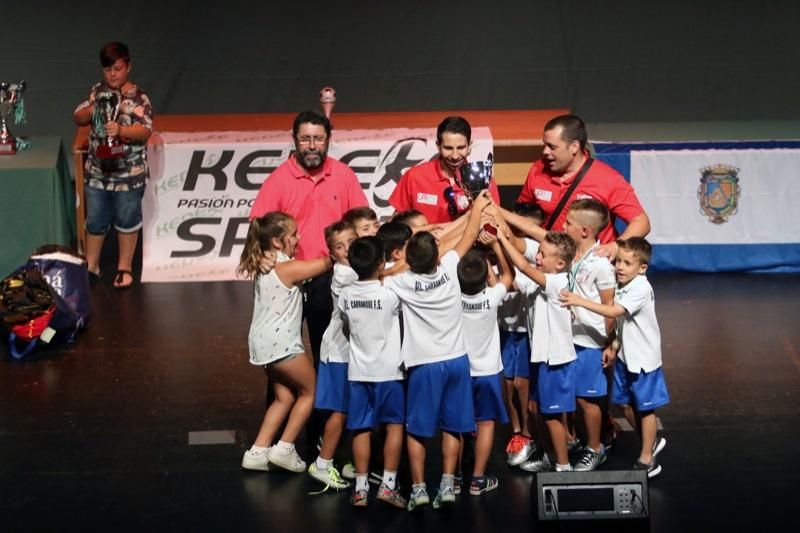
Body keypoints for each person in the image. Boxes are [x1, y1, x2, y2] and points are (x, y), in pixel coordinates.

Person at [383, 191, 491, 511]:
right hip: (458, 360)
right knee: (454, 425)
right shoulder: (449, 267)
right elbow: (470, 234)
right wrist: (478, 206)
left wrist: (396, 268)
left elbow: (379, 274)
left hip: (424, 365)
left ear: (408, 259)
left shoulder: (400, 282)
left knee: (416, 430)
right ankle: (447, 483)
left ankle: (418, 489)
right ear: (436, 256)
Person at [249, 110, 368, 365]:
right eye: (305, 139)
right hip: (289, 278)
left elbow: (360, 221)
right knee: (280, 354)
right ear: (294, 139)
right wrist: (264, 252)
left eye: (318, 139)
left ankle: (325, 404)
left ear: (328, 140)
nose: (312, 146)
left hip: (329, 277)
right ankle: (284, 402)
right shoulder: (279, 180)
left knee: (328, 348)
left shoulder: (344, 175)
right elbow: (257, 224)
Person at [560, 237, 669, 478]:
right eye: (618, 261)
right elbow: (620, 322)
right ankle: (648, 442)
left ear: (642, 268)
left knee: (645, 408)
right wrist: (615, 344)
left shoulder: (640, 287)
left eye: (627, 263)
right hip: (625, 357)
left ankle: (647, 457)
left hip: (643, 360)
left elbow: (613, 311)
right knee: (622, 403)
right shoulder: (623, 285)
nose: (620, 267)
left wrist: (579, 300)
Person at [237, 212, 332, 473]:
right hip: (282, 344)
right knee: (312, 391)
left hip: (261, 343)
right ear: (278, 242)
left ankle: (257, 452)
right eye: (293, 234)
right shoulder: (287, 268)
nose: (298, 238)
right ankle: (284, 448)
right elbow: (327, 263)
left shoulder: (265, 264)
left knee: (284, 397)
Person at [495, 228, 578, 473]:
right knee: (534, 410)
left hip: (556, 360)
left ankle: (564, 466)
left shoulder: (557, 282)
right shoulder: (540, 279)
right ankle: (546, 455)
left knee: (552, 415)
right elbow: (512, 276)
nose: (538, 257)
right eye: (539, 252)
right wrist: (496, 248)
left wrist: (502, 238)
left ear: (560, 263)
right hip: (540, 356)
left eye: (543, 254)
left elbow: (521, 263)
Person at [73, 42, 153, 289]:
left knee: (127, 219)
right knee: (95, 219)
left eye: (118, 68)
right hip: (97, 171)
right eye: (108, 70)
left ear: (128, 67)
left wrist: (121, 129)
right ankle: (92, 265)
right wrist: (93, 106)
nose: (113, 74)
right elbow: (79, 117)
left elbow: (145, 131)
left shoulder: (139, 98)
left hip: (128, 172)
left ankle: (124, 267)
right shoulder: (97, 92)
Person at [516, 114, 650, 259]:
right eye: (545, 144)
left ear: (574, 147)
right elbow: (524, 215)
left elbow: (641, 222)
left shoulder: (608, 179)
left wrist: (615, 246)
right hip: (549, 264)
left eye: (552, 147)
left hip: (589, 269)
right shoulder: (537, 170)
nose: (545, 151)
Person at [339, 237, 406, 509]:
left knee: (360, 428)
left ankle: (361, 488)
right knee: (394, 426)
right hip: (390, 372)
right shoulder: (389, 294)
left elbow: (345, 322)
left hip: (359, 372)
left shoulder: (346, 294)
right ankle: (388, 486)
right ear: (381, 264)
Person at [560, 199, 617, 471]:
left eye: (568, 223)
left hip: (590, 343)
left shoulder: (601, 264)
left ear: (585, 231)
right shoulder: (571, 254)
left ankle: (596, 448)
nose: (563, 225)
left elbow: (611, 309)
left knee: (587, 399)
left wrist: (612, 343)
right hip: (568, 339)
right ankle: (578, 441)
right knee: (572, 396)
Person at [457, 240, 513, 496]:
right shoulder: (492, 296)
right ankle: (477, 479)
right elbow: (508, 276)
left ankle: (454, 479)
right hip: (488, 372)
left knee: (456, 424)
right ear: (487, 276)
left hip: (459, 370)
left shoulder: (451, 299)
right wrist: (495, 249)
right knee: (486, 423)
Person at [308, 221, 358, 490]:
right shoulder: (344, 275)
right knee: (339, 413)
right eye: (340, 246)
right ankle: (323, 464)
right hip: (339, 354)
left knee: (352, 411)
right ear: (332, 253)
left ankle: (344, 459)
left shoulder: (356, 267)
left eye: (351, 241)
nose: (347, 249)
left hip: (351, 354)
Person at [497, 202, 544, 467]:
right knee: (507, 384)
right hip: (505, 328)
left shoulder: (537, 256)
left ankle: (528, 432)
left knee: (522, 384)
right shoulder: (502, 252)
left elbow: (513, 280)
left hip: (527, 331)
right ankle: (517, 431)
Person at [388, 116, 500, 224]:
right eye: (448, 148)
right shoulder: (414, 177)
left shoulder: (484, 181)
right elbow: (395, 226)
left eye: (461, 147)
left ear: (469, 146)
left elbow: (494, 222)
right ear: (438, 146)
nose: (455, 156)